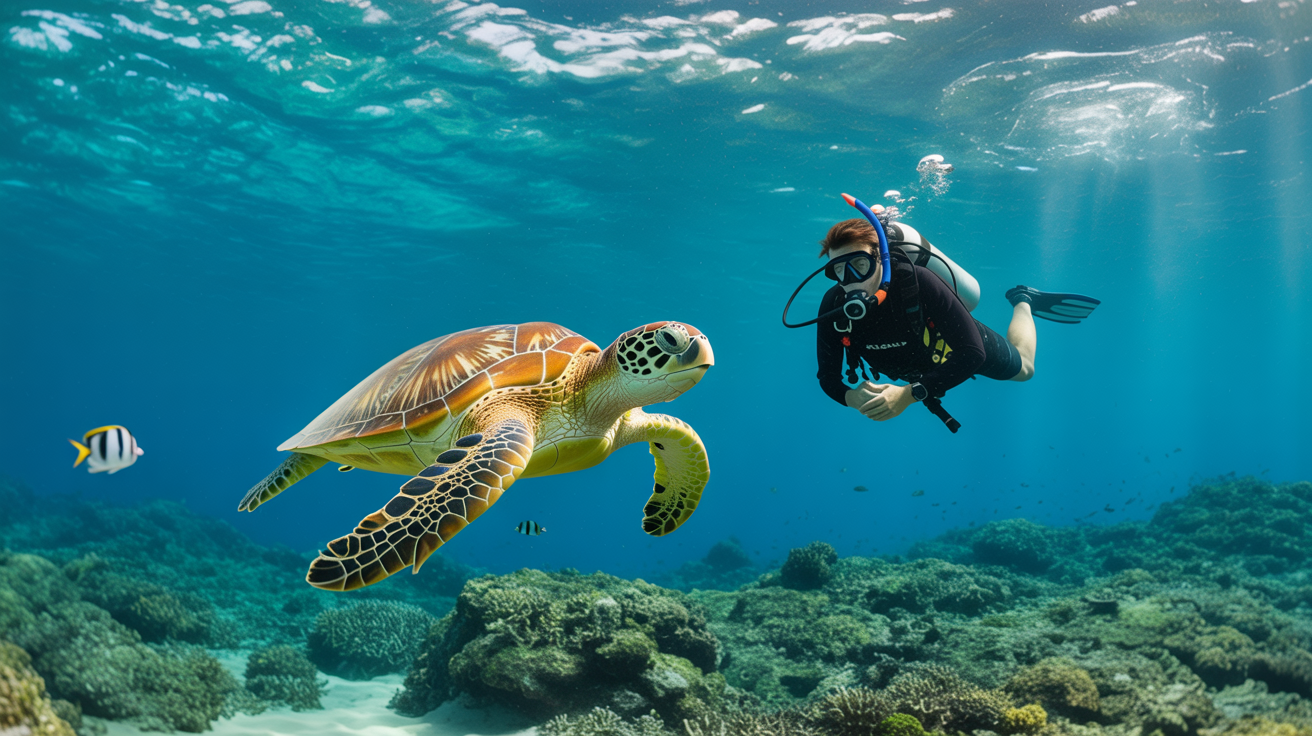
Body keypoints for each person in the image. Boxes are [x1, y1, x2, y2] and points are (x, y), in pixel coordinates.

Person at [797, 200, 1098, 432]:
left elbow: (972, 353)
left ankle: (1023, 299)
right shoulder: (834, 304)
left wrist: (907, 396)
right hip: (923, 367)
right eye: (839, 270)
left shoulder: (918, 281)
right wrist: (852, 398)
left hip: (956, 345)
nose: (850, 280)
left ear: (881, 259)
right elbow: (828, 377)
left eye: (860, 265)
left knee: (1026, 369)